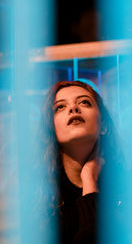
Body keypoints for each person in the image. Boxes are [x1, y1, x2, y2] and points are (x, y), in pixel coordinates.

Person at [41, 80, 118, 244]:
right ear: (51, 128)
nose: (73, 109)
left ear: (103, 125)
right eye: (60, 107)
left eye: (84, 102)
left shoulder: (124, 187)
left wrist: (89, 180)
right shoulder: (37, 193)